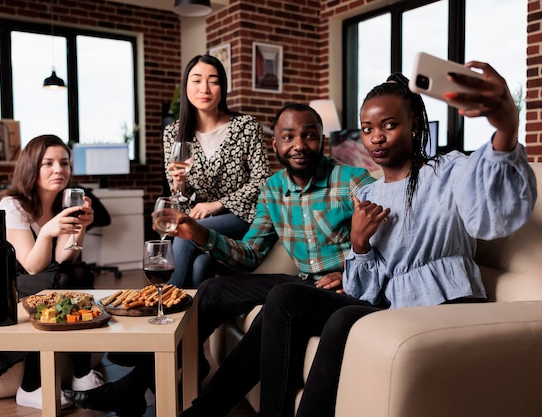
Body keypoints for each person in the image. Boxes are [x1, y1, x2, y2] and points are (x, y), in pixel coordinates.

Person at [179, 62, 538, 417]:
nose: (376, 137)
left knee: (338, 319)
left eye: (389, 125)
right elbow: (367, 287)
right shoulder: (373, 194)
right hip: (387, 302)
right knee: (284, 296)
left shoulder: (446, 171)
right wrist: (359, 244)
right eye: (367, 129)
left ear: (414, 125)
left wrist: (506, 127)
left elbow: (493, 203)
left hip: (442, 301)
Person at [164, 102, 375, 384]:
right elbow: (251, 253)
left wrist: (351, 273)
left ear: (322, 140)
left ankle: (137, 381)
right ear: (275, 145)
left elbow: (391, 247)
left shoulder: (354, 181)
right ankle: (152, 368)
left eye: (309, 135)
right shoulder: (273, 189)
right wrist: (200, 234)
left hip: (342, 290)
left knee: (281, 300)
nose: (299, 145)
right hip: (306, 283)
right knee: (211, 289)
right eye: (288, 137)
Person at [0, 135, 104, 410]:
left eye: (64, 163)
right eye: (49, 163)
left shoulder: (60, 203)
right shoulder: (13, 205)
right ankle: (31, 386)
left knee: (78, 273)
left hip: (38, 279)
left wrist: (81, 228)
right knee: (62, 281)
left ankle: (80, 374)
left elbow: (64, 257)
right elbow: (32, 265)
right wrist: (50, 231)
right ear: (32, 167)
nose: (59, 170)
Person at [162, 54, 271, 288]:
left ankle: (166, 306)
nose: (205, 88)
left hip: (241, 216)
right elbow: (179, 195)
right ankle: (195, 323)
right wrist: (179, 183)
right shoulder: (173, 133)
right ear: (186, 86)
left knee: (185, 232)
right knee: (202, 265)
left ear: (223, 87)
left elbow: (262, 179)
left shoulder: (246, 126)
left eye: (213, 81)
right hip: (199, 217)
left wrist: (216, 205)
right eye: (197, 80)